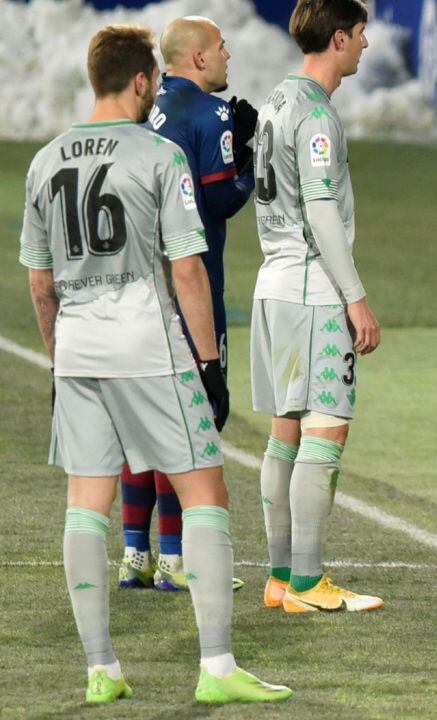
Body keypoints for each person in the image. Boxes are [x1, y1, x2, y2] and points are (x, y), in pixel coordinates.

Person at [20, 24, 291, 703]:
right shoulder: (158, 155)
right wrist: (208, 363)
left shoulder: (45, 161)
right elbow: (188, 270)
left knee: (87, 504)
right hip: (147, 343)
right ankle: (218, 668)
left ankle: (101, 670)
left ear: (93, 78)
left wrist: (58, 362)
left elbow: (40, 281)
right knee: (205, 492)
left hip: (78, 348)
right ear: (142, 82)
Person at [251, 0, 384, 613]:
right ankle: (308, 582)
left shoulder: (276, 100)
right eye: (359, 33)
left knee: (284, 436)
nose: (366, 43)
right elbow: (321, 208)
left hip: (273, 286)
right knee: (324, 434)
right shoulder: (316, 115)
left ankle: (281, 578)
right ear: (337, 37)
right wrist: (354, 298)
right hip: (311, 291)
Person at [118, 15, 257, 592]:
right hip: (187, 281)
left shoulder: (142, 110)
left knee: (139, 423)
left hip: (130, 286)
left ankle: (134, 554)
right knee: (192, 418)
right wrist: (249, 158)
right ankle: (177, 558)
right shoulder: (211, 113)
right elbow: (221, 199)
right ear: (198, 59)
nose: (228, 58)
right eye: (222, 50)